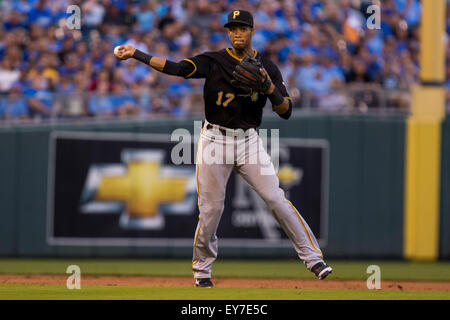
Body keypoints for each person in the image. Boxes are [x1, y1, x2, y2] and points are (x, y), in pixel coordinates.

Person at [114, 10, 332, 288]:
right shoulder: (215, 60)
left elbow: (286, 110)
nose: (236, 33)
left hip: (248, 141)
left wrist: (268, 88)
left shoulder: (268, 67)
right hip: (214, 139)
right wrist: (136, 54)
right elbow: (177, 68)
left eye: (242, 28)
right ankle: (202, 271)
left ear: (252, 31)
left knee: (276, 199)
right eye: (232, 29)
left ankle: (313, 258)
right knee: (211, 210)